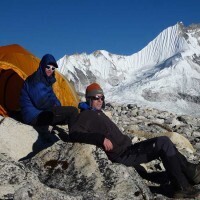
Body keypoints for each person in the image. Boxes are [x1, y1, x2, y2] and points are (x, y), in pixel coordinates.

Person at [68, 82, 200, 199]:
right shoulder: (85, 115)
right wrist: (100, 138)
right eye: (96, 98)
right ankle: (182, 186)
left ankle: (190, 172)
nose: (100, 100)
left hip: (128, 150)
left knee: (165, 143)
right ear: (89, 99)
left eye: (102, 98)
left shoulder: (97, 112)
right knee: (163, 142)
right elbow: (74, 134)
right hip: (122, 156)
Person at [20, 54, 78, 130]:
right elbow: (41, 103)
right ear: (43, 65)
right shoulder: (35, 80)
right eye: (48, 67)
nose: (50, 69)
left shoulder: (46, 80)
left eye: (53, 68)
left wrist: (57, 105)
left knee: (67, 117)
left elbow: (53, 97)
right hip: (33, 117)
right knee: (72, 111)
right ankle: (75, 136)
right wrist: (55, 106)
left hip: (40, 113)